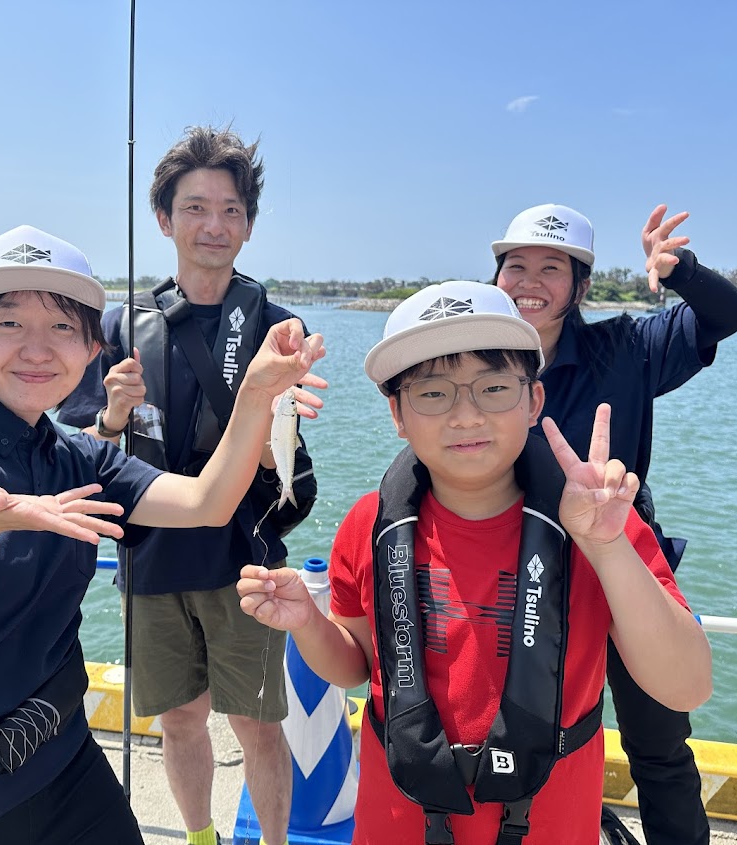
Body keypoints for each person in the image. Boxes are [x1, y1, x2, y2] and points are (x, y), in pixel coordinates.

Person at [0, 223, 326, 845]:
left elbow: (207, 501)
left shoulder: (78, 457)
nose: (38, 348)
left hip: (62, 772)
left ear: (93, 351)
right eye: (9, 323)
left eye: (63, 327)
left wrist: (255, 391)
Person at [237, 280, 712, 844]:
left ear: (534, 400)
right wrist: (309, 625)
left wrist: (608, 547)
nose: (465, 416)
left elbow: (686, 687)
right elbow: (357, 666)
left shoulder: (597, 525)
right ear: (397, 414)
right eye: (433, 394)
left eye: (493, 388)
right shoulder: (369, 525)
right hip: (396, 823)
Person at [58, 126, 311, 845]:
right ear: (164, 219)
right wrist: (110, 409)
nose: (214, 225)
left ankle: (272, 840)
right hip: (152, 560)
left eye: (231, 210)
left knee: (261, 724)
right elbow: (88, 456)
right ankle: (199, 836)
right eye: (196, 207)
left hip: (248, 562)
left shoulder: (277, 325)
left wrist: (271, 438)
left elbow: (287, 465)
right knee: (178, 719)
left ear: (249, 226)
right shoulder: (119, 324)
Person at [491, 203, 737, 845]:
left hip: (625, 570)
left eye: (551, 269)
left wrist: (680, 270)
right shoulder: (478, 359)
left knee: (658, 745)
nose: (529, 281)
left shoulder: (628, 348)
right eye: (515, 266)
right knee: (518, 740)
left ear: (581, 286)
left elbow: (729, 315)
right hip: (519, 577)